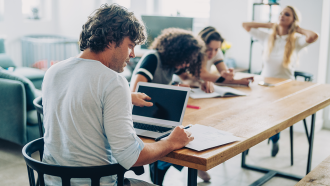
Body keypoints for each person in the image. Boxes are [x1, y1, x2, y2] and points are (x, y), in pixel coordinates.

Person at [41, 4, 194, 186]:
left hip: (51, 182)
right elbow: (132, 157)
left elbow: (83, 96)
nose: (132, 54)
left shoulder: (54, 71)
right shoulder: (113, 81)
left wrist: (127, 97)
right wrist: (171, 142)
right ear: (111, 39)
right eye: (130, 46)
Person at [130, 28, 212, 185]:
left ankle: (190, 164)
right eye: (186, 59)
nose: (186, 64)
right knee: (175, 139)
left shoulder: (173, 63)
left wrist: (200, 83)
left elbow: (187, 78)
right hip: (143, 114)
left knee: (184, 133)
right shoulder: (153, 58)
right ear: (176, 52)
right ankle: (167, 166)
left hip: (161, 115)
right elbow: (135, 89)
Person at [242, 5, 318, 157]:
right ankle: (247, 142)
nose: (282, 16)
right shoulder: (267, 37)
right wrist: (270, 25)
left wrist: (297, 29)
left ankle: (274, 138)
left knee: (273, 113)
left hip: (285, 87)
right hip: (264, 84)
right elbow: (245, 25)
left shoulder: (295, 40)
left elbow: (314, 36)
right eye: (281, 14)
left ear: (293, 20)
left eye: (287, 15)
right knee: (249, 109)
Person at [177, 26, 254, 87]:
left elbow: (224, 74)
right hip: (183, 86)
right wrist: (239, 82)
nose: (213, 53)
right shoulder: (195, 52)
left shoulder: (216, 51)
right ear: (201, 45)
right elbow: (204, 75)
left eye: (216, 49)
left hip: (200, 87)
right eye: (209, 49)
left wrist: (229, 75)